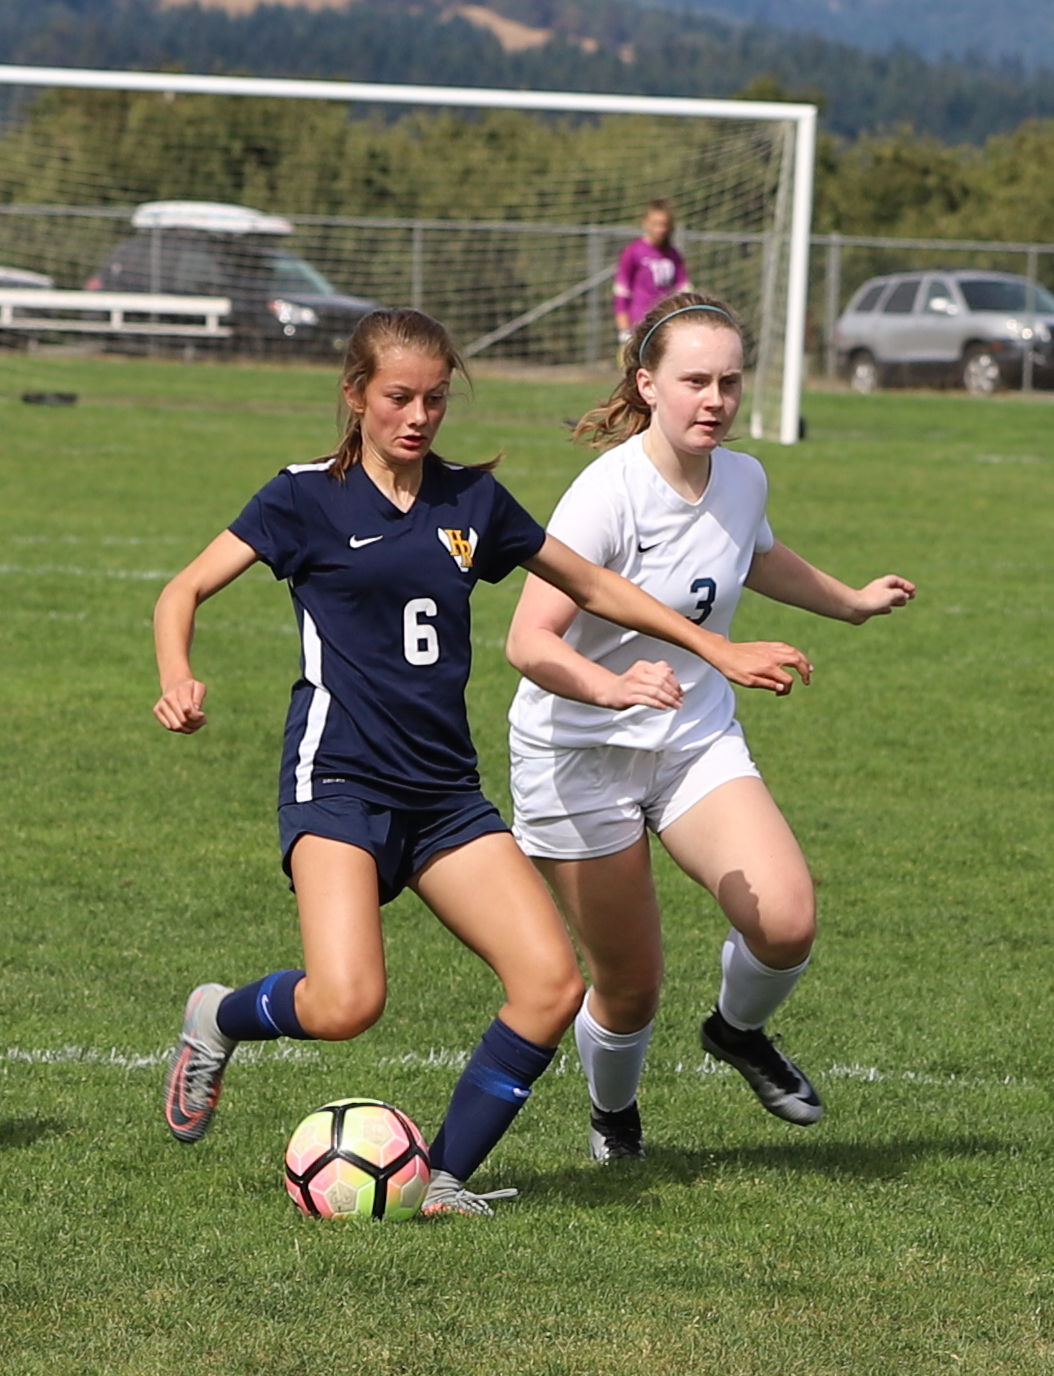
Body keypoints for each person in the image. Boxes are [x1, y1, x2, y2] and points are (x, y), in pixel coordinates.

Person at [152, 306, 813, 1215]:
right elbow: (183, 589)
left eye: (434, 399)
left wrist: (714, 648)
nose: (418, 417)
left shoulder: (470, 500)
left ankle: (444, 1178)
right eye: (398, 398)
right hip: (339, 781)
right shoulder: (301, 497)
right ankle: (216, 1017)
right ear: (355, 395)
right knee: (346, 1004)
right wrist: (177, 676)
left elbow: (593, 585)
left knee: (550, 986)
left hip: (444, 794)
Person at [506, 292, 916, 1162]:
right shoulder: (605, 495)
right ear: (646, 384)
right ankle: (614, 1118)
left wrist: (849, 603)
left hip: (692, 741)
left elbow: (753, 554)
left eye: (729, 381)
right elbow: (527, 642)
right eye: (695, 381)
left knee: (786, 921)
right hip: (578, 756)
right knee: (629, 987)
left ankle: (735, 1031)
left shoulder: (742, 476)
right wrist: (613, 687)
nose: (715, 399)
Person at [612, 199, 692, 353]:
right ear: (645, 223)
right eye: (655, 224)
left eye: (664, 224)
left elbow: (684, 288)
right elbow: (621, 293)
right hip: (639, 326)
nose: (660, 229)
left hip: (665, 323)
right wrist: (624, 330)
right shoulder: (633, 251)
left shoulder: (673, 254)